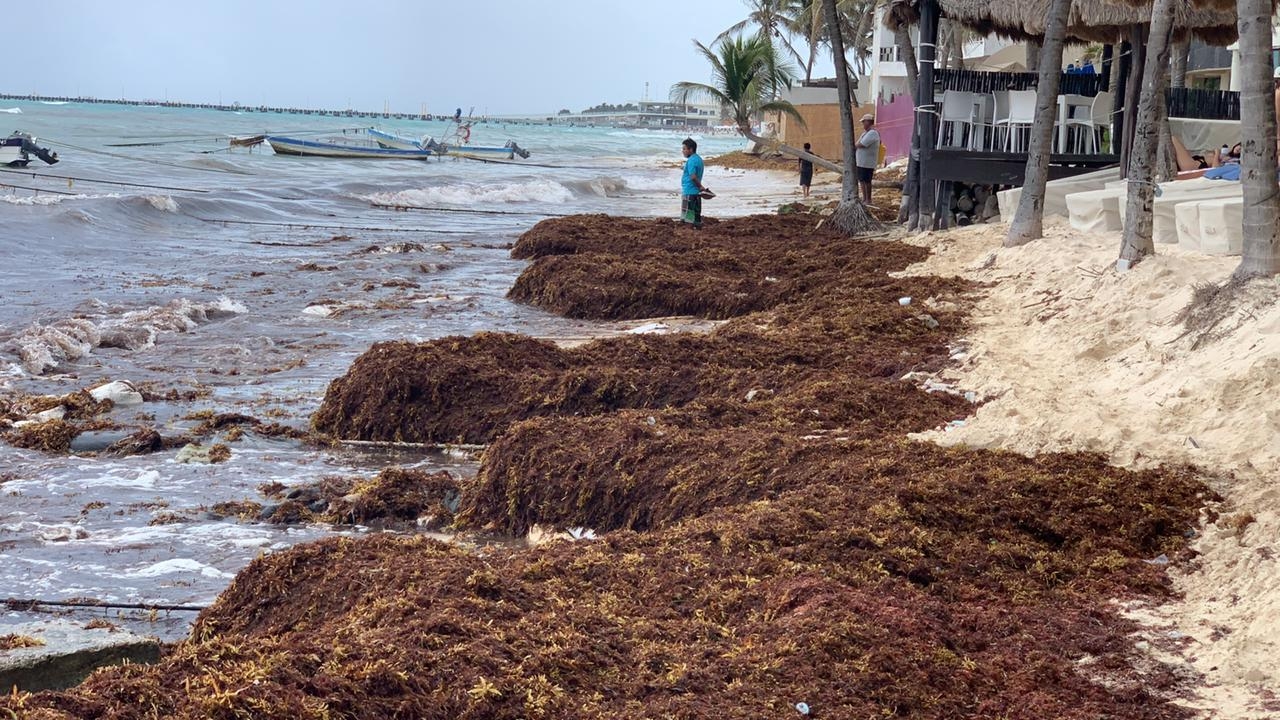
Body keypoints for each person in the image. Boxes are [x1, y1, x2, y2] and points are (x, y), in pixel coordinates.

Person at [680, 137, 707, 229]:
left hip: (689, 191)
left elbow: (693, 176)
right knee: (696, 217)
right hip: (696, 193)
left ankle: (689, 235)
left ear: (690, 149)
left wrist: (700, 186)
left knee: (688, 219)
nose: (682, 151)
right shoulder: (698, 159)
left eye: (684, 149)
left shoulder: (691, 160)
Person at [854, 114, 880, 205]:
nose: (863, 124)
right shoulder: (865, 133)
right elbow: (857, 144)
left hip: (867, 163)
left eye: (864, 122)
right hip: (861, 162)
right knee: (861, 180)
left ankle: (868, 199)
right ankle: (864, 198)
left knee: (866, 181)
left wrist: (855, 146)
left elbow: (861, 144)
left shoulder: (873, 133)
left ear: (868, 122)